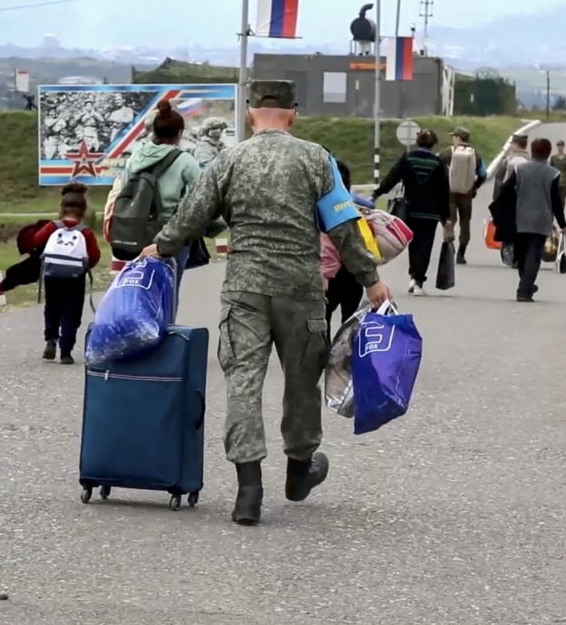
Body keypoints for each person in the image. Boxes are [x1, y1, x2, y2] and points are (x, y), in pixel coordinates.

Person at [139, 80, 390, 526]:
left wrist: (158, 248)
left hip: (245, 290)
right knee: (301, 384)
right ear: (292, 114)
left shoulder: (229, 159)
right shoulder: (317, 158)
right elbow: (343, 224)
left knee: (243, 382)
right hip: (302, 290)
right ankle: (298, 472)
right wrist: (371, 279)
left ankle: (248, 491)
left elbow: (191, 217)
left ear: (251, 115)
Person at [103, 99, 202, 306]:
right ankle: (164, 333)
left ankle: (138, 330)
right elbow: (200, 198)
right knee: (168, 293)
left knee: (140, 288)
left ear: (154, 131)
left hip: (137, 231)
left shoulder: (135, 157)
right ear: (179, 133)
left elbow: (126, 190)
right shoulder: (185, 161)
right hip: (170, 235)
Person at [371, 129, 450, 295]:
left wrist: (377, 193)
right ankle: (418, 281)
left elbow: (393, 177)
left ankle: (413, 275)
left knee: (413, 245)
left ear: (417, 142)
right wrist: (446, 216)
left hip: (410, 210)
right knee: (425, 245)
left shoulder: (408, 158)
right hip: (430, 213)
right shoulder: (437, 162)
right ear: (433, 144)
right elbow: (444, 191)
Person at [32, 183, 101, 364]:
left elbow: (35, 240)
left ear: (61, 208)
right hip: (75, 278)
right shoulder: (85, 232)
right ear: (84, 210)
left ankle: (51, 340)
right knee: (71, 312)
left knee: (52, 308)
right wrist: (83, 267)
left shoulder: (52, 227)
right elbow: (94, 256)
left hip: (52, 275)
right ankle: (66, 352)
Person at [499, 138, 566, 302]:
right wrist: (562, 224)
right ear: (548, 153)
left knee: (522, 255)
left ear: (532, 149)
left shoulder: (520, 169)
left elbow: (505, 188)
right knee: (534, 256)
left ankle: (525, 284)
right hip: (541, 220)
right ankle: (525, 290)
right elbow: (556, 201)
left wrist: (509, 206)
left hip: (520, 217)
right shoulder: (553, 173)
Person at [321, 159, 365, 340]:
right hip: (352, 269)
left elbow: (324, 245)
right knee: (350, 318)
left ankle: (325, 356)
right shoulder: (352, 203)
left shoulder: (320, 207)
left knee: (324, 316)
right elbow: (369, 205)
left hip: (329, 273)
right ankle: (345, 358)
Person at [438, 127, 487, 264]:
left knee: (449, 222)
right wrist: (474, 187)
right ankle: (461, 254)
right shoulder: (475, 154)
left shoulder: (447, 153)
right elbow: (483, 174)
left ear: (458, 138)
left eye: (454, 137)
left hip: (450, 193)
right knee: (465, 224)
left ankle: (448, 246)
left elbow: (437, 170)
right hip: (467, 195)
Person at [492, 133, 530, 202]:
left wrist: (496, 200)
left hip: (508, 198)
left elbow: (499, 180)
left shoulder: (508, 160)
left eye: (512, 143)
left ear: (516, 144)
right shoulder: (530, 161)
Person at [549, 140, 566, 210]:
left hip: (564, 181)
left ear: (563, 146)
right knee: (555, 198)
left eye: (561, 146)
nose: (560, 147)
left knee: (562, 199)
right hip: (555, 181)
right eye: (558, 146)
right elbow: (549, 170)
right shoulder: (553, 158)